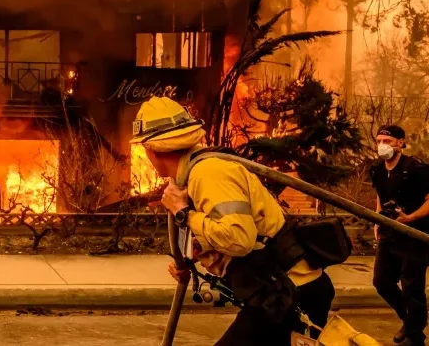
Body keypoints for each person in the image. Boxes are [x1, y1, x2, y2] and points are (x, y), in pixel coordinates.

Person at [132, 96, 335, 346]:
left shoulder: (209, 173)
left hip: (291, 293)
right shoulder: (191, 176)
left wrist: (185, 213)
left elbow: (239, 239)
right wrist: (198, 253)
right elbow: (228, 231)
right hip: (279, 291)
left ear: (151, 150)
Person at [370, 124, 429, 346]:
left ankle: (414, 334)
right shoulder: (378, 170)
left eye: (388, 141)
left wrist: (410, 218)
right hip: (390, 233)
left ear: (400, 142)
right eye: (379, 141)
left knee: (411, 286)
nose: (383, 146)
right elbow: (380, 197)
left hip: (415, 235)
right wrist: (377, 219)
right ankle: (410, 322)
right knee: (382, 282)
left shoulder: (416, 170)